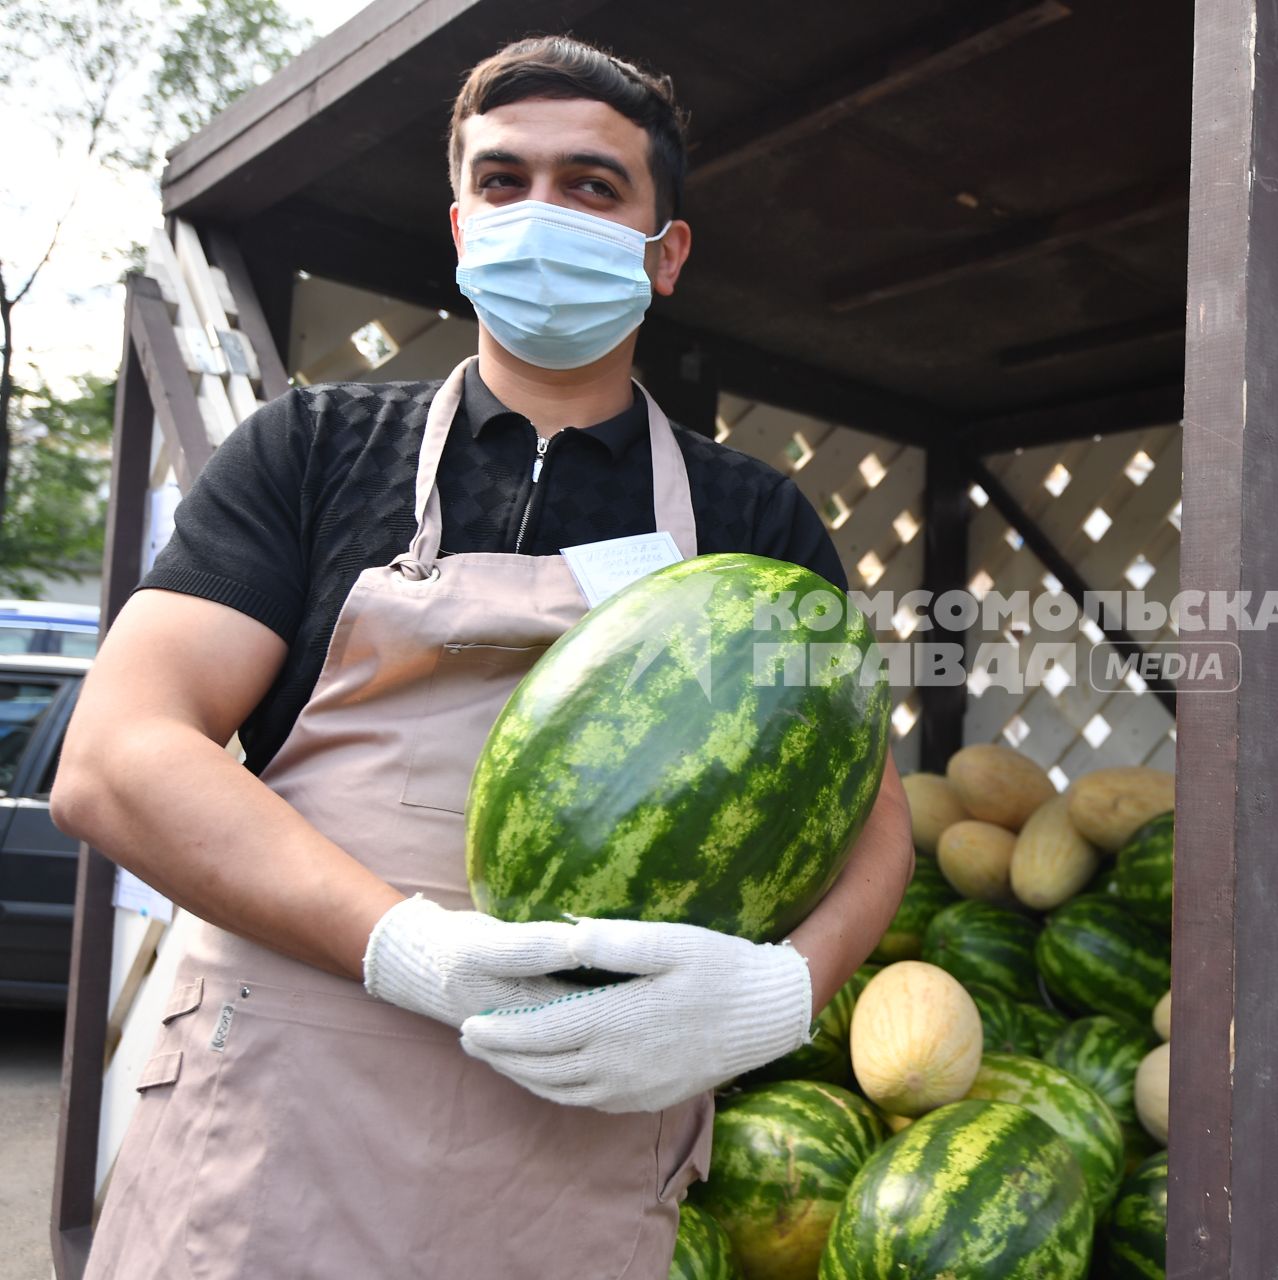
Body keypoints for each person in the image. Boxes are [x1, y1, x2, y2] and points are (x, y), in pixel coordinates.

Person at [55, 34, 913, 1279]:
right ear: (461, 230)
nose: (541, 212)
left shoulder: (752, 524)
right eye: (504, 182)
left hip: (576, 1157)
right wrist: (412, 947)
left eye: (592, 184)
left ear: (664, 253)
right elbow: (118, 754)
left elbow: (870, 816)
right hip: (278, 1131)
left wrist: (784, 994)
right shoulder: (311, 450)